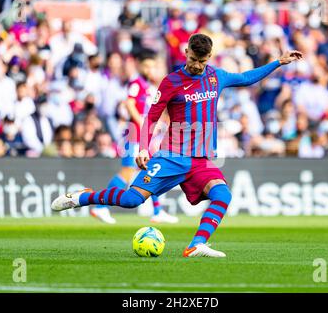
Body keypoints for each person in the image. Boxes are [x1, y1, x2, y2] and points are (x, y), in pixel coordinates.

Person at [52, 34, 303, 258]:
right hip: (172, 155)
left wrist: (278, 62)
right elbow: (151, 115)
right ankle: (82, 197)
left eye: (202, 61)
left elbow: (247, 78)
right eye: (193, 59)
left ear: (209, 58)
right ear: (186, 52)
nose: (196, 65)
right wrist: (143, 147)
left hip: (201, 160)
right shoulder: (171, 81)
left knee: (223, 195)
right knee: (130, 200)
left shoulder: (217, 76)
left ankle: (196, 245)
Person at [90, 50, 178, 225]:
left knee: (151, 172)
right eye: (147, 66)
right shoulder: (136, 83)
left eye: (152, 66)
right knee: (127, 172)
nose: (149, 69)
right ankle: (100, 207)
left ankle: (158, 211)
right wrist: (143, 124)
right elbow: (129, 104)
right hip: (134, 136)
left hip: (143, 138)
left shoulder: (147, 86)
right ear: (140, 66)